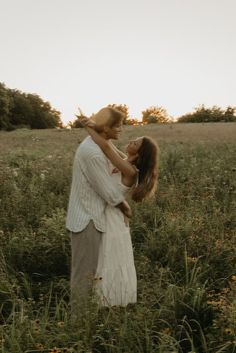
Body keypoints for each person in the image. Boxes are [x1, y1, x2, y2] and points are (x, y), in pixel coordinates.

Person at [78, 114, 159, 306]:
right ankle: (103, 298)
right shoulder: (124, 161)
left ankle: (110, 300)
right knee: (104, 256)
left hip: (112, 216)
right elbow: (108, 146)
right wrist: (95, 126)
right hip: (108, 212)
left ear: (139, 154)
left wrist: (88, 127)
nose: (131, 140)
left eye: (136, 143)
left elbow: (106, 147)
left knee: (109, 256)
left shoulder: (129, 170)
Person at [66, 107, 131, 310]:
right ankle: (79, 324)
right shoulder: (92, 152)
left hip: (91, 217)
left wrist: (91, 126)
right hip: (87, 220)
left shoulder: (98, 145)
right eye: (118, 125)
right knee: (84, 275)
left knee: (90, 273)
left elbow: (109, 147)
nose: (121, 129)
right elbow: (109, 192)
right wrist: (125, 206)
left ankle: (86, 318)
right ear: (106, 128)